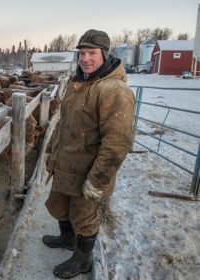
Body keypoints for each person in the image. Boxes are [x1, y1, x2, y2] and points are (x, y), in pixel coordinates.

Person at [44, 29, 135, 278]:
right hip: (66, 163)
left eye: (92, 53)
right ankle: (66, 237)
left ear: (105, 55)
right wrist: (51, 151)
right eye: (82, 53)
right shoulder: (79, 83)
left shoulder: (114, 90)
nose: (85, 58)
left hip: (88, 170)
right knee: (59, 205)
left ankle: (82, 259)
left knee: (84, 216)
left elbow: (117, 143)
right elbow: (64, 123)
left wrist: (97, 180)